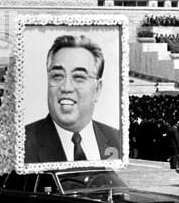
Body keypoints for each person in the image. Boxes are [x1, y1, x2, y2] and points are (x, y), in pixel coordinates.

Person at [24, 34, 122, 163]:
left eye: (79, 77)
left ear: (97, 89)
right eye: (57, 76)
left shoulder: (118, 140)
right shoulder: (21, 143)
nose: (66, 87)